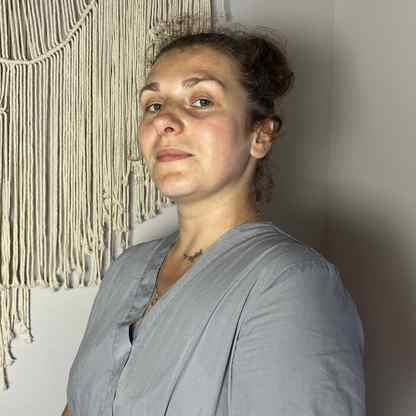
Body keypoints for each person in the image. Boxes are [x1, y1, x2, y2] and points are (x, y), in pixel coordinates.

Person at [63, 27, 366, 415]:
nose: (164, 120)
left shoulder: (292, 285)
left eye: (201, 101)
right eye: (153, 105)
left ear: (260, 135)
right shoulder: (126, 269)